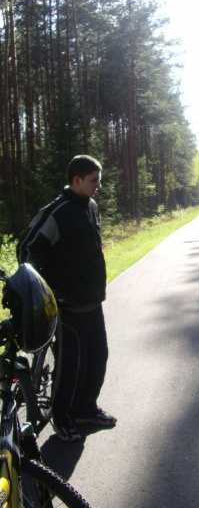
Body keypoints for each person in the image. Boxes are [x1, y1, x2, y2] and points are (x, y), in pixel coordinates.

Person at [17, 155, 116, 442]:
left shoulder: (92, 206)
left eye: (99, 179)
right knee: (70, 366)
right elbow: (26, 251)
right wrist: (48, 290)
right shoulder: (56, 212)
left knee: (98, 358)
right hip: (67, 305)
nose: (98, 186)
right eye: (93, 180)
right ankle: (62, 418)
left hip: (92, 300)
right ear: (76, 181)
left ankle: (86, 409)